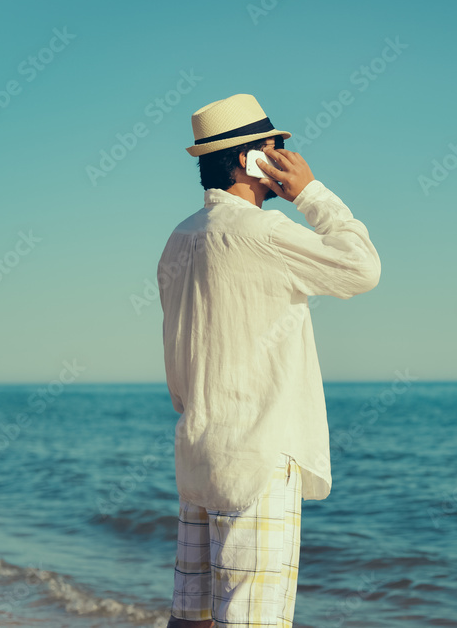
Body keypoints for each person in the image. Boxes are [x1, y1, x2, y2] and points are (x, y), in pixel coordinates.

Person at [159, 93, 382, 627]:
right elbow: (362, 269)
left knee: (191, 618)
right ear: (248, 160)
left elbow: (178, 364)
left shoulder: (179, 239)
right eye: (276, 145)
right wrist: (311, 194)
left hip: (198, 452)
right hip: (257, 457)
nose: (285, 152)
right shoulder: (265, 233)